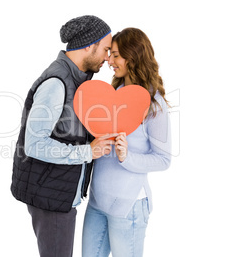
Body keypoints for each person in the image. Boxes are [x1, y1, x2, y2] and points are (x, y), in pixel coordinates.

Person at [10, 15, 113, 257]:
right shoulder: (58, 83)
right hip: (50, 196)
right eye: (106, 49)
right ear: (90, 44)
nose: (108, 58)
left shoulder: (76, 81)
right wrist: (89, 151)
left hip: (56, 192)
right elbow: (34, 145)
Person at [82, 28, 172, 257]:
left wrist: (126, 156)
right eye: (110, 54)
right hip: (96, 203)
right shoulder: (113, 92)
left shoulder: (154, 104)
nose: (109, 61)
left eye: (116, 55)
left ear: (133, 57)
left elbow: (163, 159)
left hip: (128, 207)